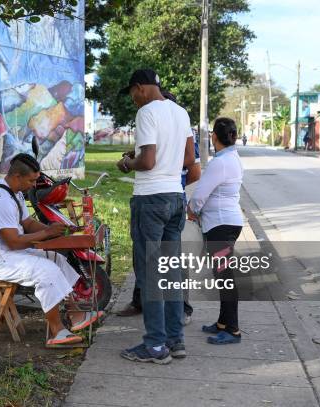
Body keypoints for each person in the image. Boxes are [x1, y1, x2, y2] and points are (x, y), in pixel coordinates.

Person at [0, 153, 102, 347]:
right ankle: (57, 332)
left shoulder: (15, 192)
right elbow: (13, 242)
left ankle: (75, 313)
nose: (34, 185)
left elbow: (27, 223)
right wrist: (47, 234)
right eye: (32, 180)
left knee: (57, 259)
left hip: (9, 254)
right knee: (46, 270)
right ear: (17, 176)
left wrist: (55, 229)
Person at [116, 69, 196, 364]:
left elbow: (147, 162)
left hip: (150, 200)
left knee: (150, 275)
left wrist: (127, 162)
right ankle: (176, 341)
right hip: (176, 197)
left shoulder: (146, 112)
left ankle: (155, 345)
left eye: (132, 94)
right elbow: (188, 159)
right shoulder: (180, 112)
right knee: (171, 273)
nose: (134, 99)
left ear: (140, 88)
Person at [187, 117, 244, 345]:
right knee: (222, 276)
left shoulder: (220, 163)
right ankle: (222, 322)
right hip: (228, 222)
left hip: (220, 226)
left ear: (214, 137)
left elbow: (201, 193)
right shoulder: (233, 158)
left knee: (225, 278)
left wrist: (191, 210)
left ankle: (233, 330)